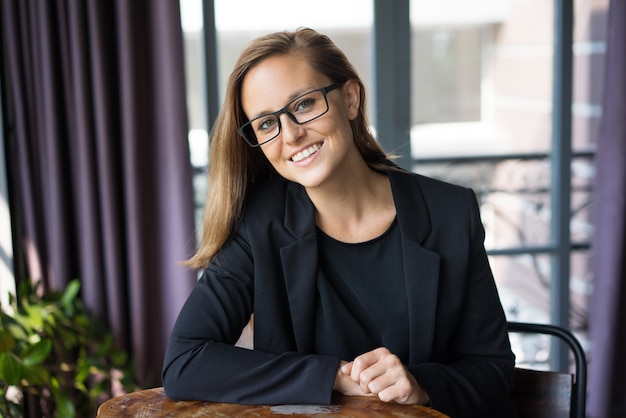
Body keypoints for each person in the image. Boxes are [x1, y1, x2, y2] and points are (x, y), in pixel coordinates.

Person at [162, 27, 516, 417]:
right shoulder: (258, 224)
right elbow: (185, 361)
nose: (291, 135)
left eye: (303, 104)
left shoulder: (450, 213)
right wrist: (331, 375)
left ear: (350, 98)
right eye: (266, 124)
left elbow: (493, 373)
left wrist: (420, 384)